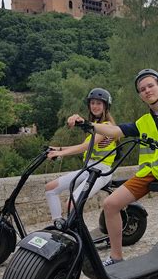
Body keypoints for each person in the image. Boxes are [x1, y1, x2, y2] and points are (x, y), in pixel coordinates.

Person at [67, 69, 158, 266]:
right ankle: (116, 256)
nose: (147, 91)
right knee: (111, 205)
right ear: (140, 95)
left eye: (150, 86)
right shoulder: (143, 121)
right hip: (151, 172)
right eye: (142, 89)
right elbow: (113, 130)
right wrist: (85, 124)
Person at [45, 88, 117, 222]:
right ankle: (58, 223)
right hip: (88, 169)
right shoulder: (94, 127)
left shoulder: (107, 126)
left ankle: (76, 235)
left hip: (101, 172)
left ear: (106, 106)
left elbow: (84, 147)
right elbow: (83, 147)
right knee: (50, 188)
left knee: (71, 203)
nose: (95, 106)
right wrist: (56, 148)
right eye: (92, 103)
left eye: (99, 103)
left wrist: (60, 153)